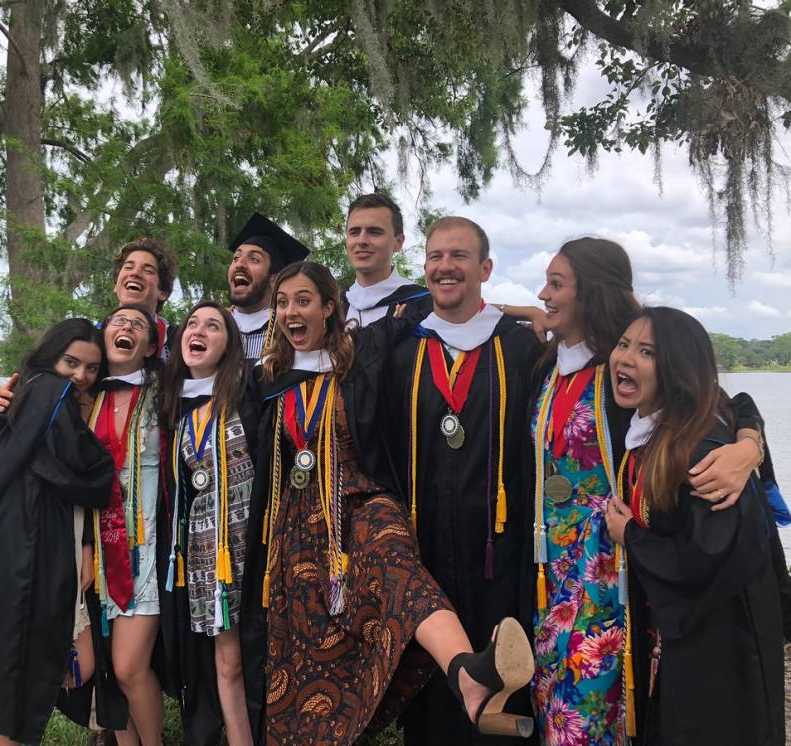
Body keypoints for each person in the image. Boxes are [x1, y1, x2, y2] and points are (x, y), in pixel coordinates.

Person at [241, 261, 535, 745]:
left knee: (400, 570)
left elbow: (447, 312)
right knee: (305, 663)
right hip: (294, 533)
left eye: (304, 300)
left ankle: (468, 673)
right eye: (283, 302)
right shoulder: (265, 378)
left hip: (359, 505)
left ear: (330, 307)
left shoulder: (361, 357)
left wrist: (525, 313)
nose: (291, 311)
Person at [526, 239, 766, 744]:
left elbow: (716, 400)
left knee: (602, 708)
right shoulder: (549, 368)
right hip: (556, 568)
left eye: (557, 284)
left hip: (617, 567)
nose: (544, 294)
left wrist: (749, 445)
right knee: (555, 700)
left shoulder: (632, 368)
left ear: (591, 294)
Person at [379, 217, 540, 746]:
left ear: (485, 268)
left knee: (504, 682)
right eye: (435, 257)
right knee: (429, 695)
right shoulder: (402, 352)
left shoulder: (522, 348)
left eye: (460, 256)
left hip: (501, 551)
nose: (445, 267)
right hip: (424, 550)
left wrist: (744, 431)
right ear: (423, 268)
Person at [603, 307, 786, 745]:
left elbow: (707, 557)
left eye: (647, 351)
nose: (625, 358)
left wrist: (630, 536)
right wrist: (751, 439)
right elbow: (742, 403)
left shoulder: (706, 453)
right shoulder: (663, 424)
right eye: (624, 344)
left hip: (722, 639)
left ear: (678, 367)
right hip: (688, 629)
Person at [0, 319, 113, 745]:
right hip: (30, 546)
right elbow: (86, 474)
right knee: (16, 668)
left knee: (65, 663)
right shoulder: (46, 393)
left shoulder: (46, 397)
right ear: (51, 355)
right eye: (72, 362)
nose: (80, 375)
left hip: (48, 541)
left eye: (91, 368)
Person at [159, 300, 260, 745]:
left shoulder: (249, 390)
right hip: (205, 553)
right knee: (225, 660)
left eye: (214, 326)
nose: (198, 331)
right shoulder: (168, 407)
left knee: (246, 657)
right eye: (192, 324)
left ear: (230, 344)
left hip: (251, 547)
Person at [85, 303, 167, 746]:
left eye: (138, 325)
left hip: (147, 547)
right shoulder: (84, 394)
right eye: (118, 321)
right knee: (107, 671)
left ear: (151, 345)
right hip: (95, 548)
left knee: (128, 666)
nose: (127, 328)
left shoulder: (167, 391)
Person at [0, 237, 178, 418]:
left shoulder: (178, 342)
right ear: (116, 284)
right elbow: (40, 386)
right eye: (128, 267)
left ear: (162, 292)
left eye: (148, 270)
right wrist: (4, 404)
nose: (135, 273)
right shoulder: (86, 338)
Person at [227, 213, 310, 359]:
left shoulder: (289, 332)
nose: (239, 264)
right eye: (236, 258)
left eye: (254, 259)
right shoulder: (213, 326)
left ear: (275, 278)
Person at [342, 193, 432, 328]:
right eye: (354, 232)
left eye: (374, 232)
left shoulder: (424, 306)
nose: (361, 241)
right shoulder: (334, 306)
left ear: (398, 242)